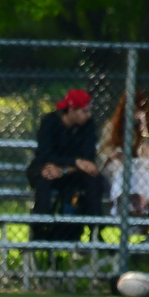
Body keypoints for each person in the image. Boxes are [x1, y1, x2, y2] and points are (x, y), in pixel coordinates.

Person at [26, 88, 102, 240]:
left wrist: (65, 169)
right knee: (44, 175)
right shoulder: (50, 122)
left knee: (93, 178)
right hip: (47, 167)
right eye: (84, 111)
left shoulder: (88, 126)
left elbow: (87, 158)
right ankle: (39, 225)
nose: (88, 115)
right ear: (72, 110)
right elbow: (45, 154)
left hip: (72, 173)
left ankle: (96, 227)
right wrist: (74, 162)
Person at [99, 91, 149, 216]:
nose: (133, 114)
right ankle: (121, 203)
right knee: (120, 168)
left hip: (138, 166)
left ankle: (141, 205)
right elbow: (103, 152)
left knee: (145, 168)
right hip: (116, 166)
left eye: (137, 111)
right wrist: (114, 154)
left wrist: (143, 127)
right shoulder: (112, 126)